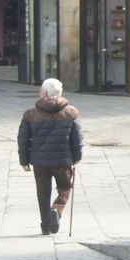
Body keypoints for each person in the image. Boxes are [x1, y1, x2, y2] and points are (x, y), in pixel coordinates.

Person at [18, 78, 83, 236]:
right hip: (63, 160)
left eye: (41, 89)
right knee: (65, 187)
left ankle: (45, 226)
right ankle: (57, 208)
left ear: (45, 93)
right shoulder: (71, 112)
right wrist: (77, 157)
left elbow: (23, 139)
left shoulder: (30, 114)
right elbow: (77, 138)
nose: (39, 91)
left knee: (43, 192)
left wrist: (24, 161)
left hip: (40, 162)